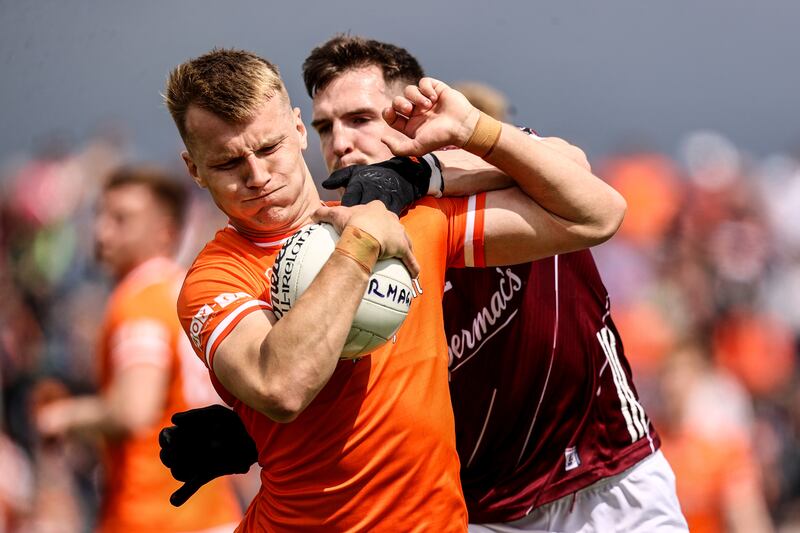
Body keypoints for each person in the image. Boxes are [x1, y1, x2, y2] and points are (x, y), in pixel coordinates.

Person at [160, 36, 686, 532]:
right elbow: (301, 390)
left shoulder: (434, 209)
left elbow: (590, 197)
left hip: (603, 475)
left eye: (362, 119)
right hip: (481, 508)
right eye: (327, 127)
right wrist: (259, 432)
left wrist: (436, 163)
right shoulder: (224, 272)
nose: (342, 143)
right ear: (196, 170)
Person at [34, 166, 242, 532]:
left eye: (121, 219)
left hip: (153, 512)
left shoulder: (140, 302)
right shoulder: (187, 292)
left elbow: (135, 408)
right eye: (100, 215)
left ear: (164, 231)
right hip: (211, 509)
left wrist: (65, 416)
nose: (101, 231)